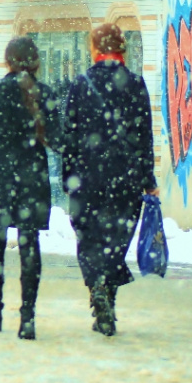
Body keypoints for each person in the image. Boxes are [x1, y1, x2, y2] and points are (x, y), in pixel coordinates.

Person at [62, 23, 158, 337]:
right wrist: (147, 178)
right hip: (125, 178)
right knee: (116, 240)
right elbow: (144, 137)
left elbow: (71, 136)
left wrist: (68, 176)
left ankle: (97, 286)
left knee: (89, 239)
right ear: (122, 48)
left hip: (88, 177)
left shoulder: (80, 83)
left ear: (94, 48)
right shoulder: (135, 83)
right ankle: (107, 299)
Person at [0, 37, 61, 340]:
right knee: (29, 244)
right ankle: (28, 316)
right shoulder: (44, 93)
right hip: (32, 177)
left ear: (7, 60)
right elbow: (58, 140)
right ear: (35, 62)